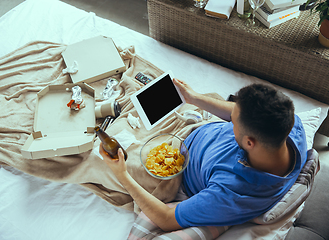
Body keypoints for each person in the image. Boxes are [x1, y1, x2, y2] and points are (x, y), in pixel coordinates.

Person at [99, 79, 307, 232]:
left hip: (176, 173)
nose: (231, 119)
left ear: (250, 142)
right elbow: (237, 110)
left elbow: (166, 218)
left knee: (95, 156)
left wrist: (122, 174)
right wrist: (194, 98)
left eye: (233, 122)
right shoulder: (289, 124)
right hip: (196, 126)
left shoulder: (232, 194)